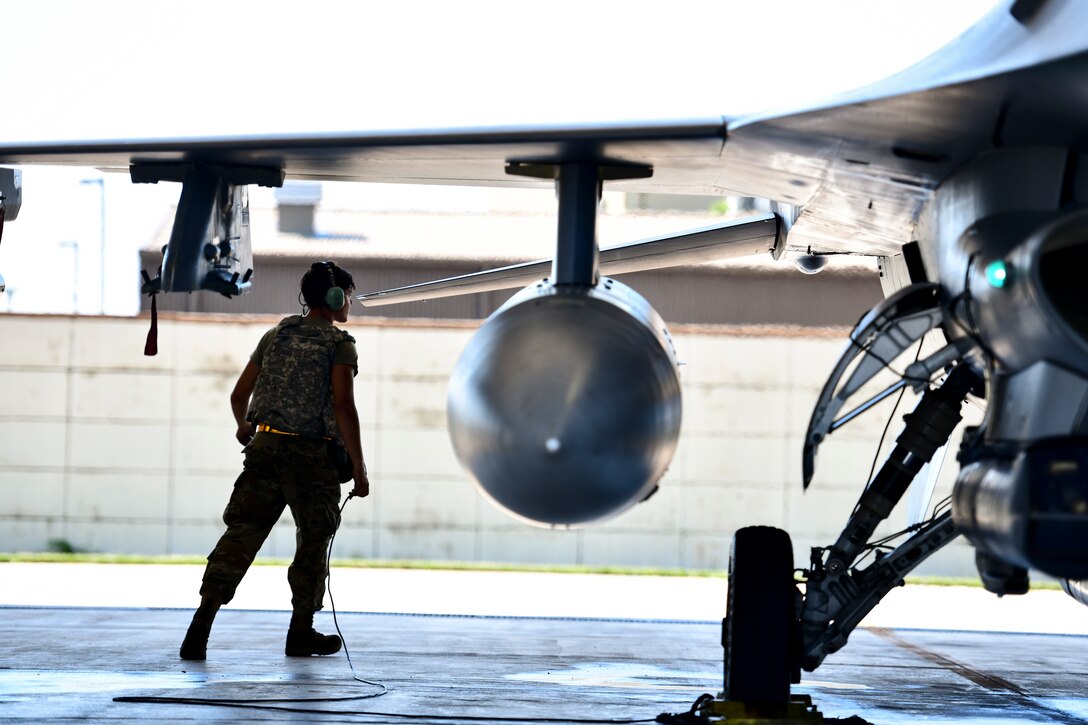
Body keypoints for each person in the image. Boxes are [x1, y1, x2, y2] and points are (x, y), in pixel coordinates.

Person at [180, 261, 371, 660]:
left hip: (264, 450)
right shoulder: (340, 344)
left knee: (240, 536)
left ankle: (201, 624)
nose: (349, 303)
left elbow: (239, 396)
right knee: (313, 542)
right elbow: (344, 407)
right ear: (337, 297)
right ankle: (301, 632)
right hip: (312, 458)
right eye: (348, 295)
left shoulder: (276, 336)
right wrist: (359, 466)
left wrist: (242, 427)